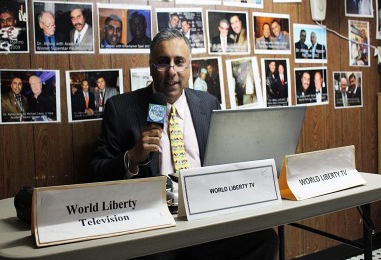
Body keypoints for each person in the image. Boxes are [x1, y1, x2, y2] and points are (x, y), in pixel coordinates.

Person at [90, 28, 279, 260]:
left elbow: (222, 163)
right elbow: (96, 173)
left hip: (205, 218)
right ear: (151, 67)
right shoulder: (120, 109)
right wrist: (132, 157)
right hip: (155, 227)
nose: (172, 72)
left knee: (266, 240)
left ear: (190, 67)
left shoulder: (209, 104)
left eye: (179, 62)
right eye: (163, 62)